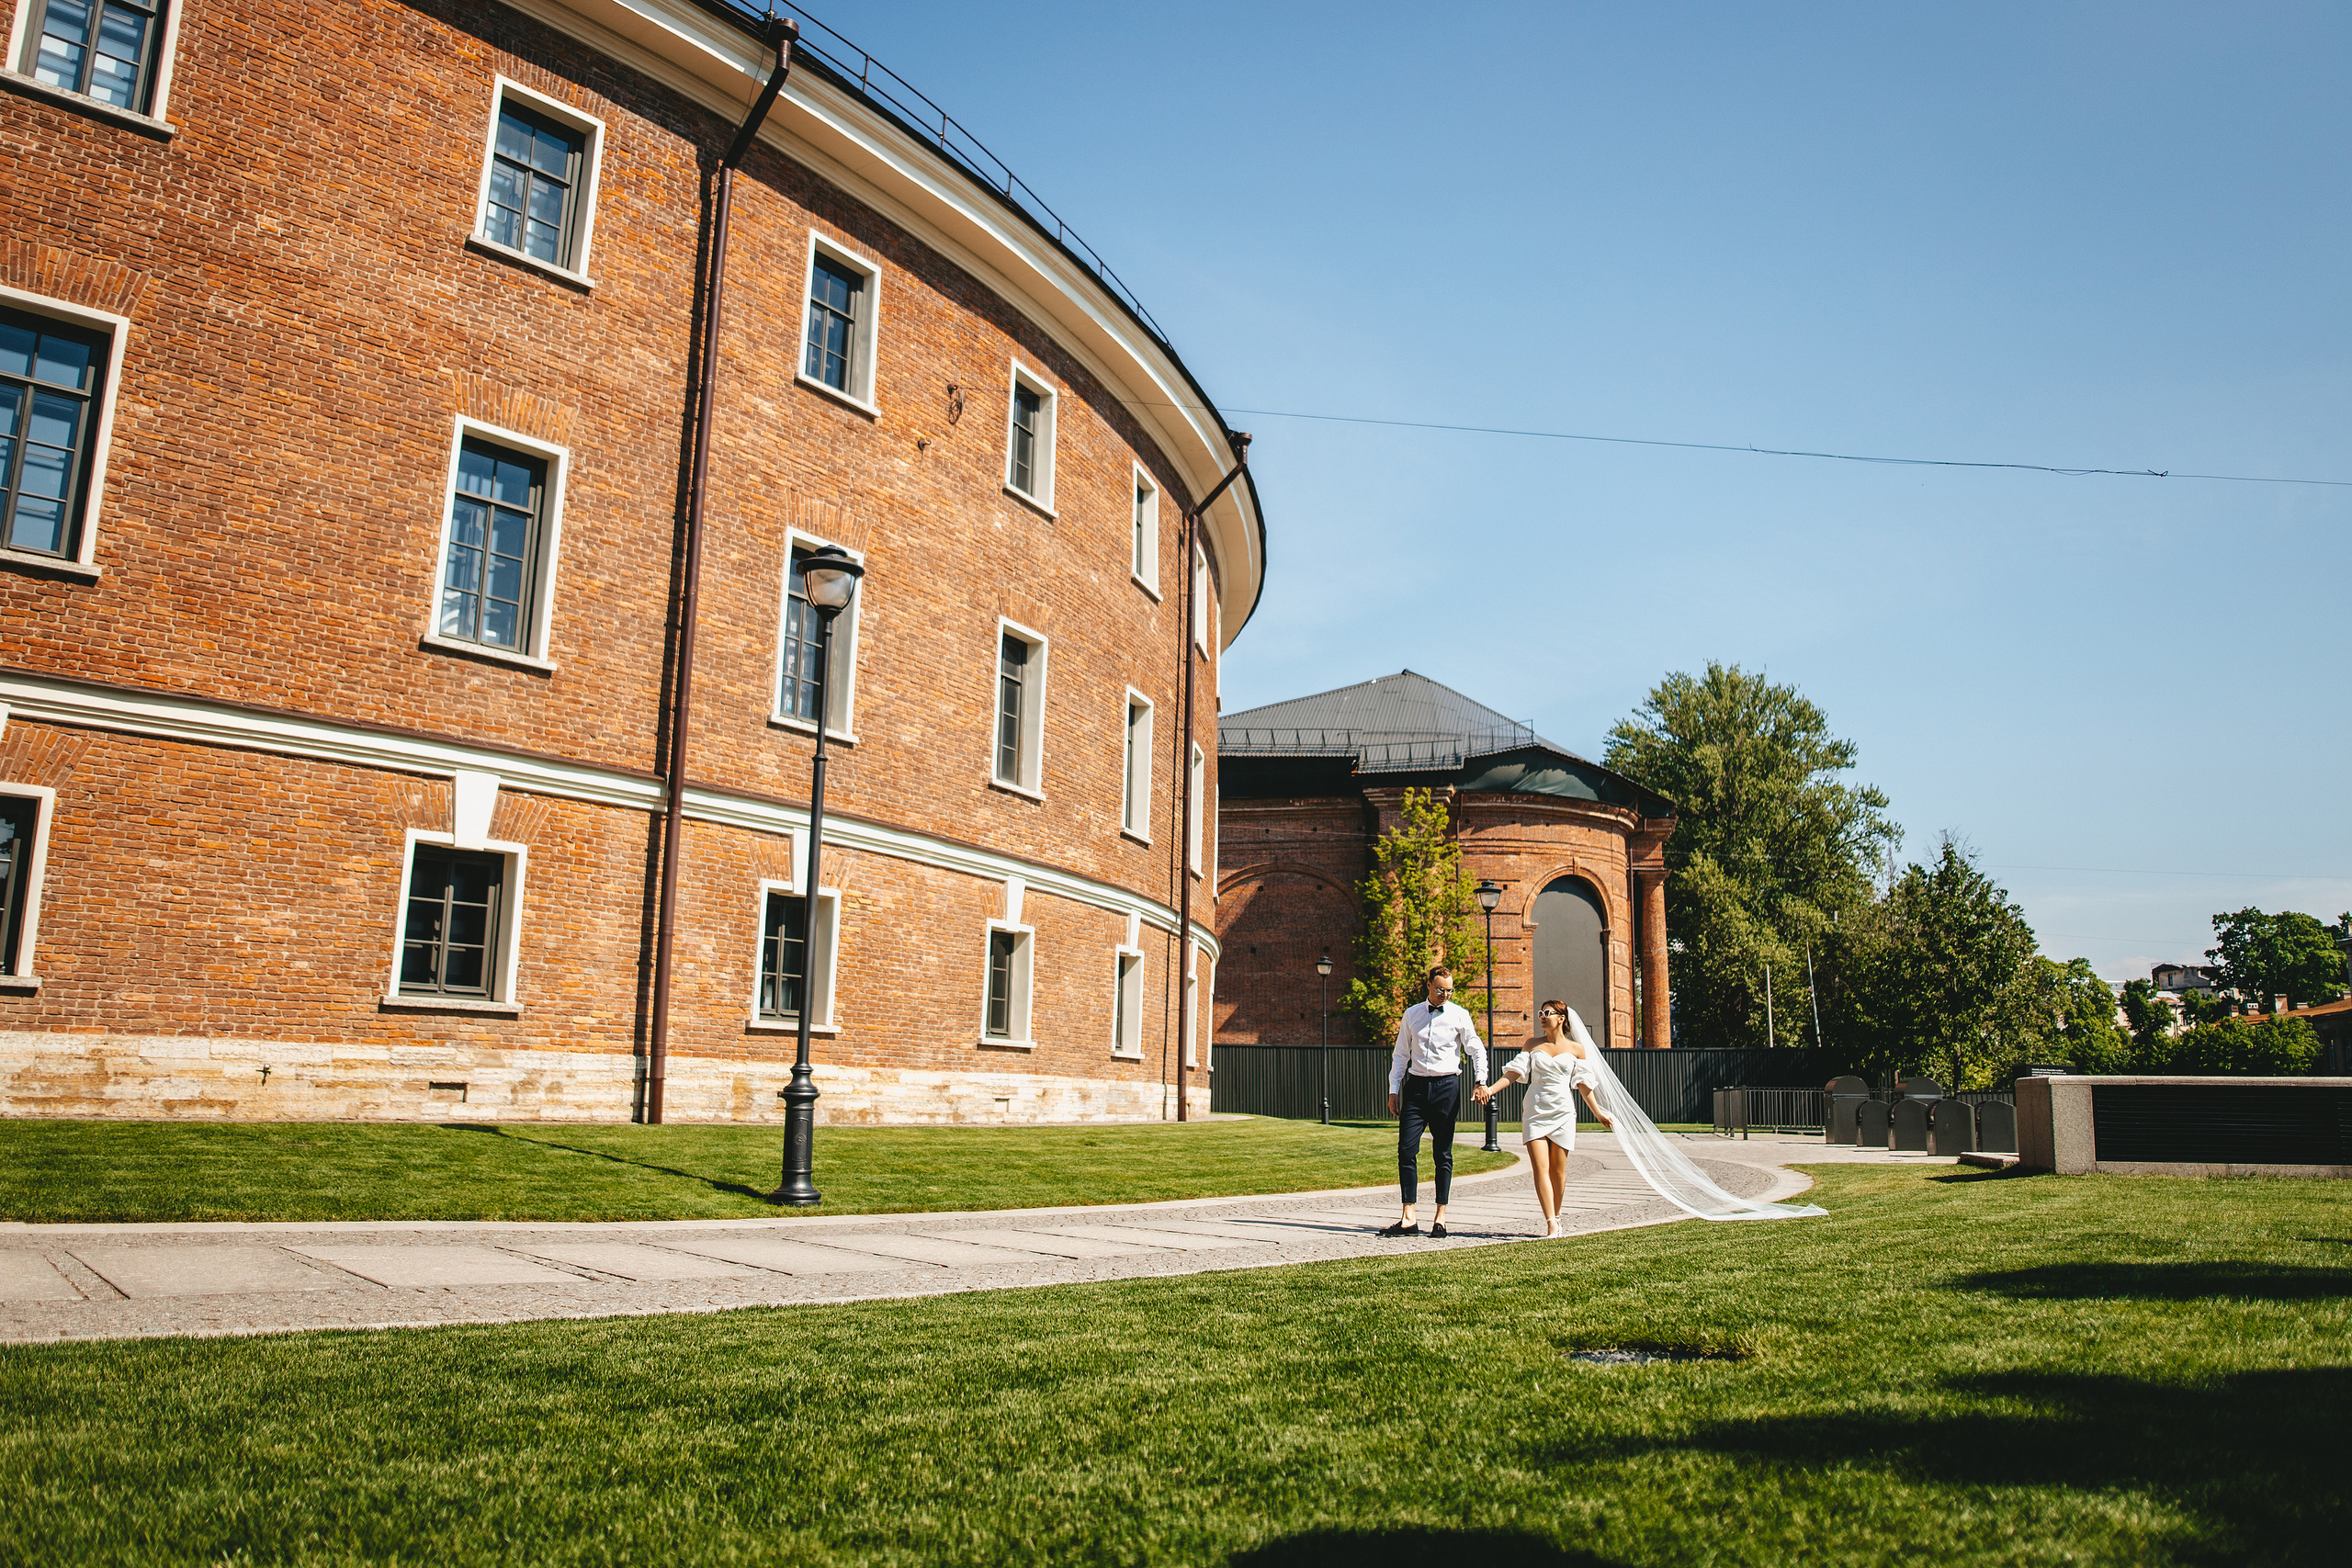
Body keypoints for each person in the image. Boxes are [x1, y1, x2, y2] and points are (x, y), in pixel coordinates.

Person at [1474, 999, 1612, 1237]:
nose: (1541, 1016)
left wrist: (1598, 1112)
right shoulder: (1531, 1044)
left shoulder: (1577, 1049)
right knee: (1541, 1169)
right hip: (1535, 1112)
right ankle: (1550, 1222)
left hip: (1563, 1113)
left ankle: (1557, 1215)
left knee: (1558, 1171)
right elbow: (1513, 1073)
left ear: (1561, 1018)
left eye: (1547, 1012)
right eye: (1540, 1012)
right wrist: (1489, 1089)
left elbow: (1583, 1085)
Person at [1382, 964, 1487, 1238]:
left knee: (1442, 1153)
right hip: (1415, 1088)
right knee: (1406, 1150)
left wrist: (1480, 1080)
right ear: (1428, 984)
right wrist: (1394, 1089)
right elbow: (1400, 1055)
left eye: (1450, 991)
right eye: (1440, 989)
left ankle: (1440, 1217)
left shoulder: (1459, 1015)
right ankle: (1408, 1218)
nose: (1445, 995)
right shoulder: (1412, 1014)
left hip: (1446, 1087)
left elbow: (1476, 1050)